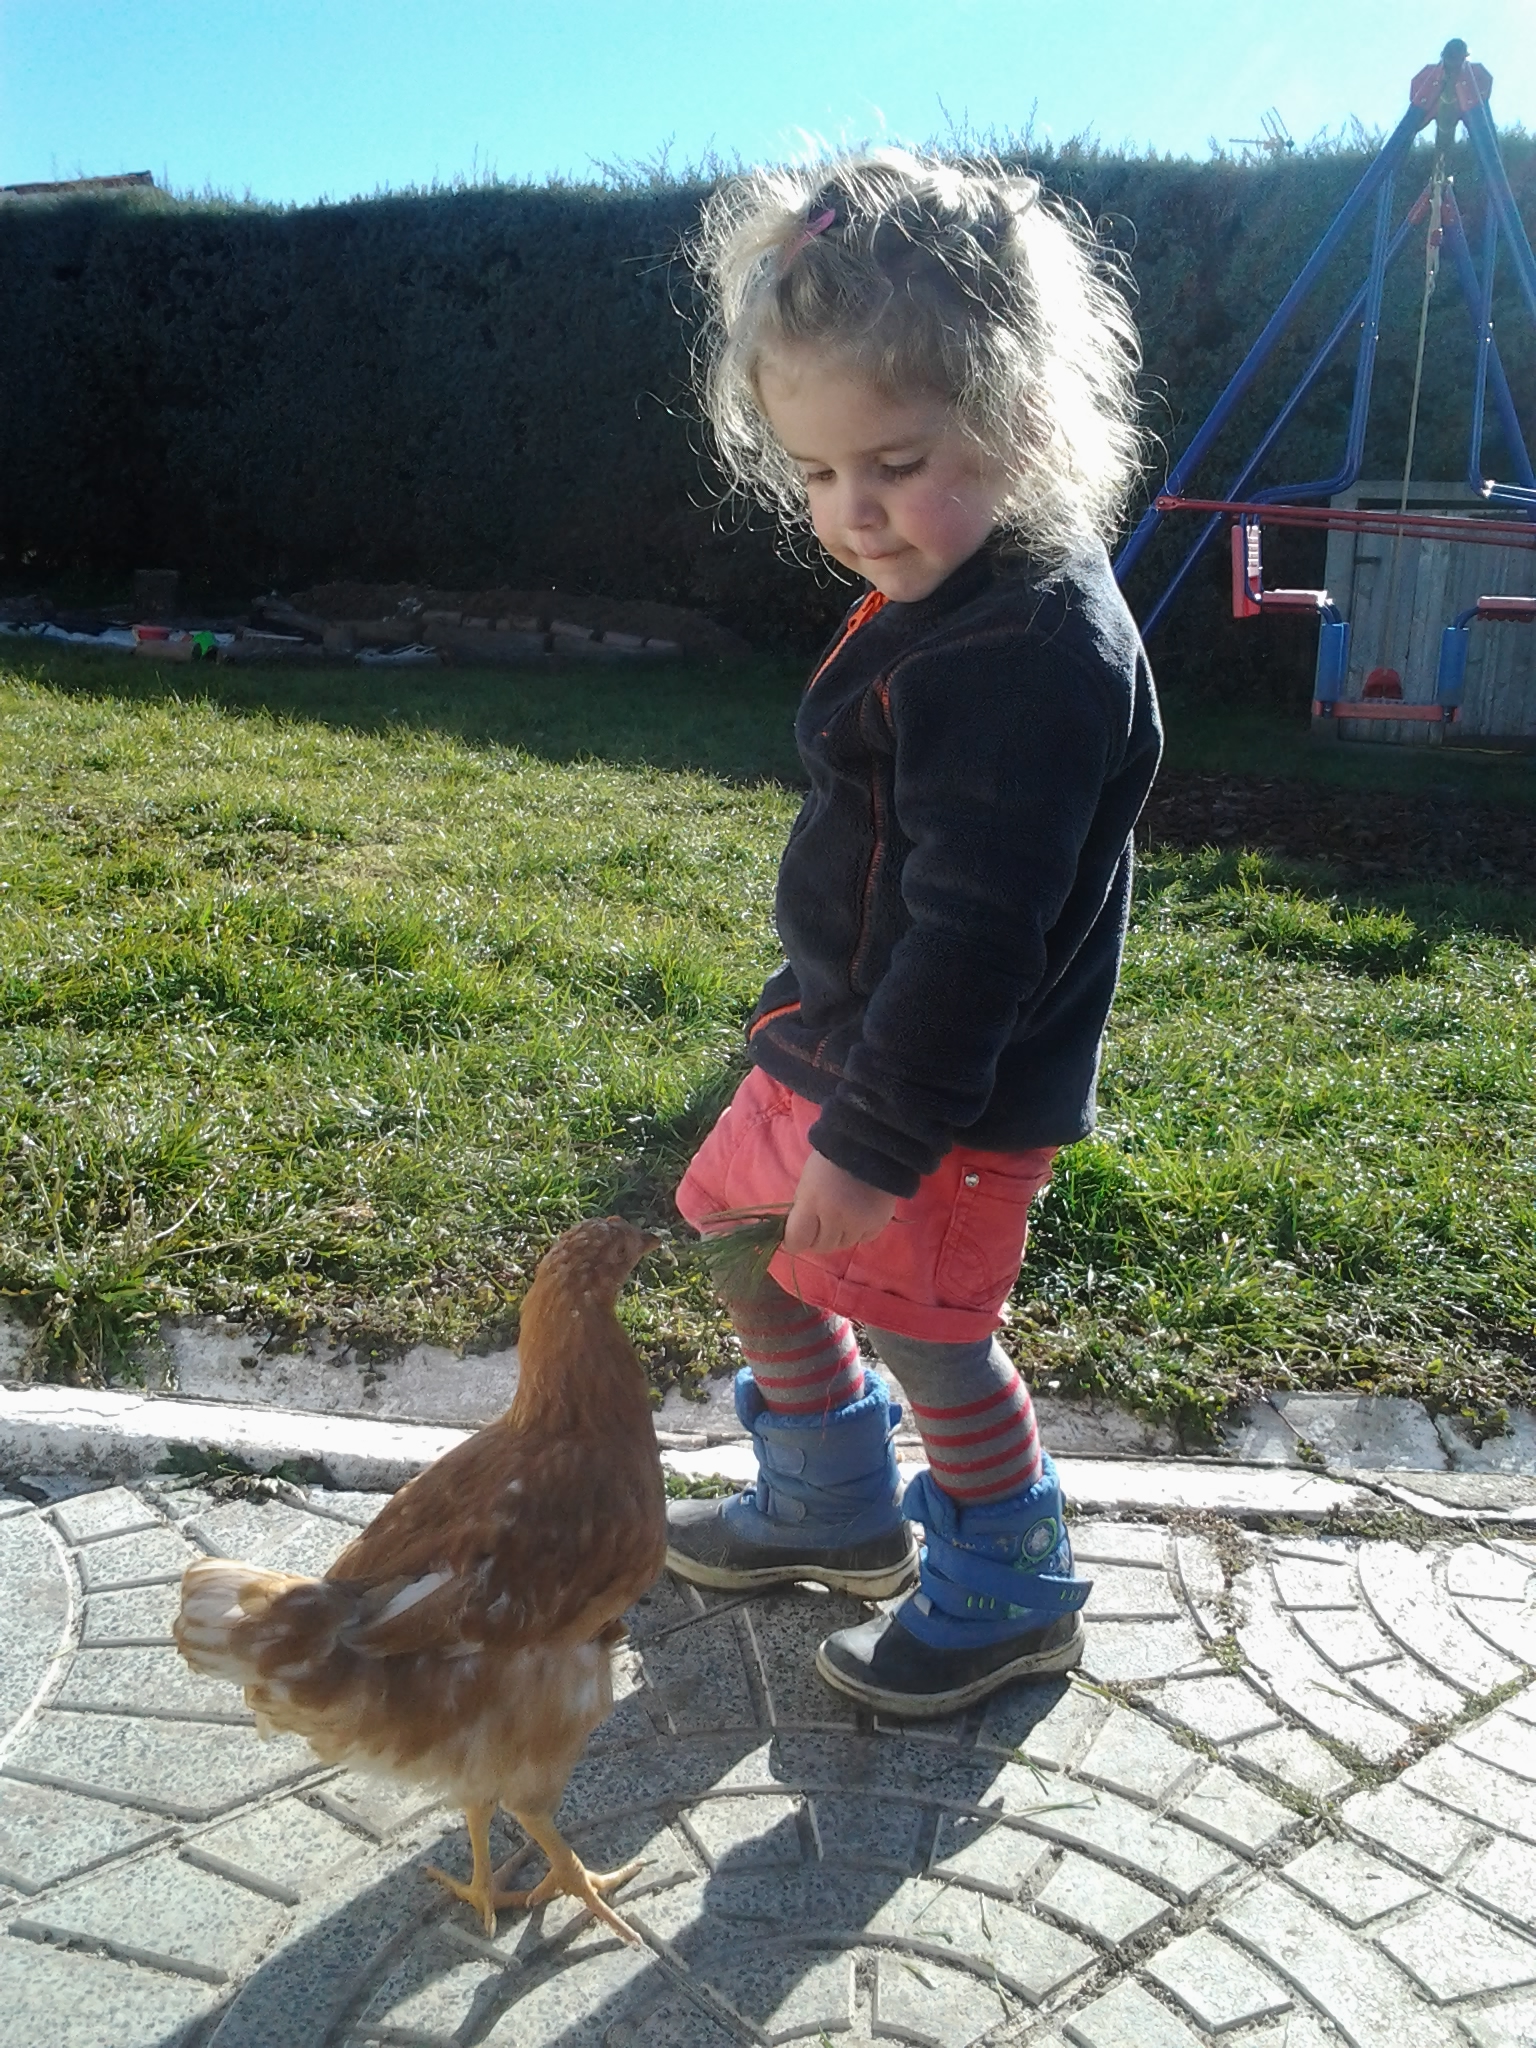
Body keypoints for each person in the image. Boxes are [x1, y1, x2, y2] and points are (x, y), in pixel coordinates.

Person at [666, 147, 1161, 1718]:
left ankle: (1008, 1584)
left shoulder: (1026, 652)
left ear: (1020, 418)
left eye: (890, 463)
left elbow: (975, 939)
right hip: (840, 1043)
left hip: (938, 1100)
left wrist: (877, 1142)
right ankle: (831, 1495)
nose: (852, 514)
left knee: (933, 1336)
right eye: (816, 475)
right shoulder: (948, 582)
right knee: (737, 1231)